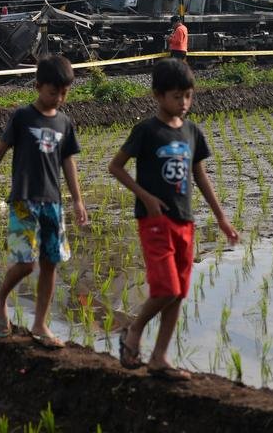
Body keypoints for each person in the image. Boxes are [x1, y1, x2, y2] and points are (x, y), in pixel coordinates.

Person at [108, 59, 238, 380]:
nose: (183, 103)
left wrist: (221, 217)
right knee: (166, 287)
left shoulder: (193, 132)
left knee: (179, 292)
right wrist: (146, 196)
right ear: (157, 96)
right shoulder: (147, 131)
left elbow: (201, 176)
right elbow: (116, 167)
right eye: (176, 97)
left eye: (188, 96)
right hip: (154, 221)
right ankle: (133, 330)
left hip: (185, 220)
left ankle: (159, 357)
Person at [0, 55, 88, 349]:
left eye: (64, 93)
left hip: (53, 203)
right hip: (24, 200)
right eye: (53, 92)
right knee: (25, 264)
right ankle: (0, 299)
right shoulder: (22, 117)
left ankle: (40, 324)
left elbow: (68, 162)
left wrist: (77, 200)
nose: (58, 98)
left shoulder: (64, 122)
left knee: (51, 264)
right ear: (37, 86)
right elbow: (0, 149)